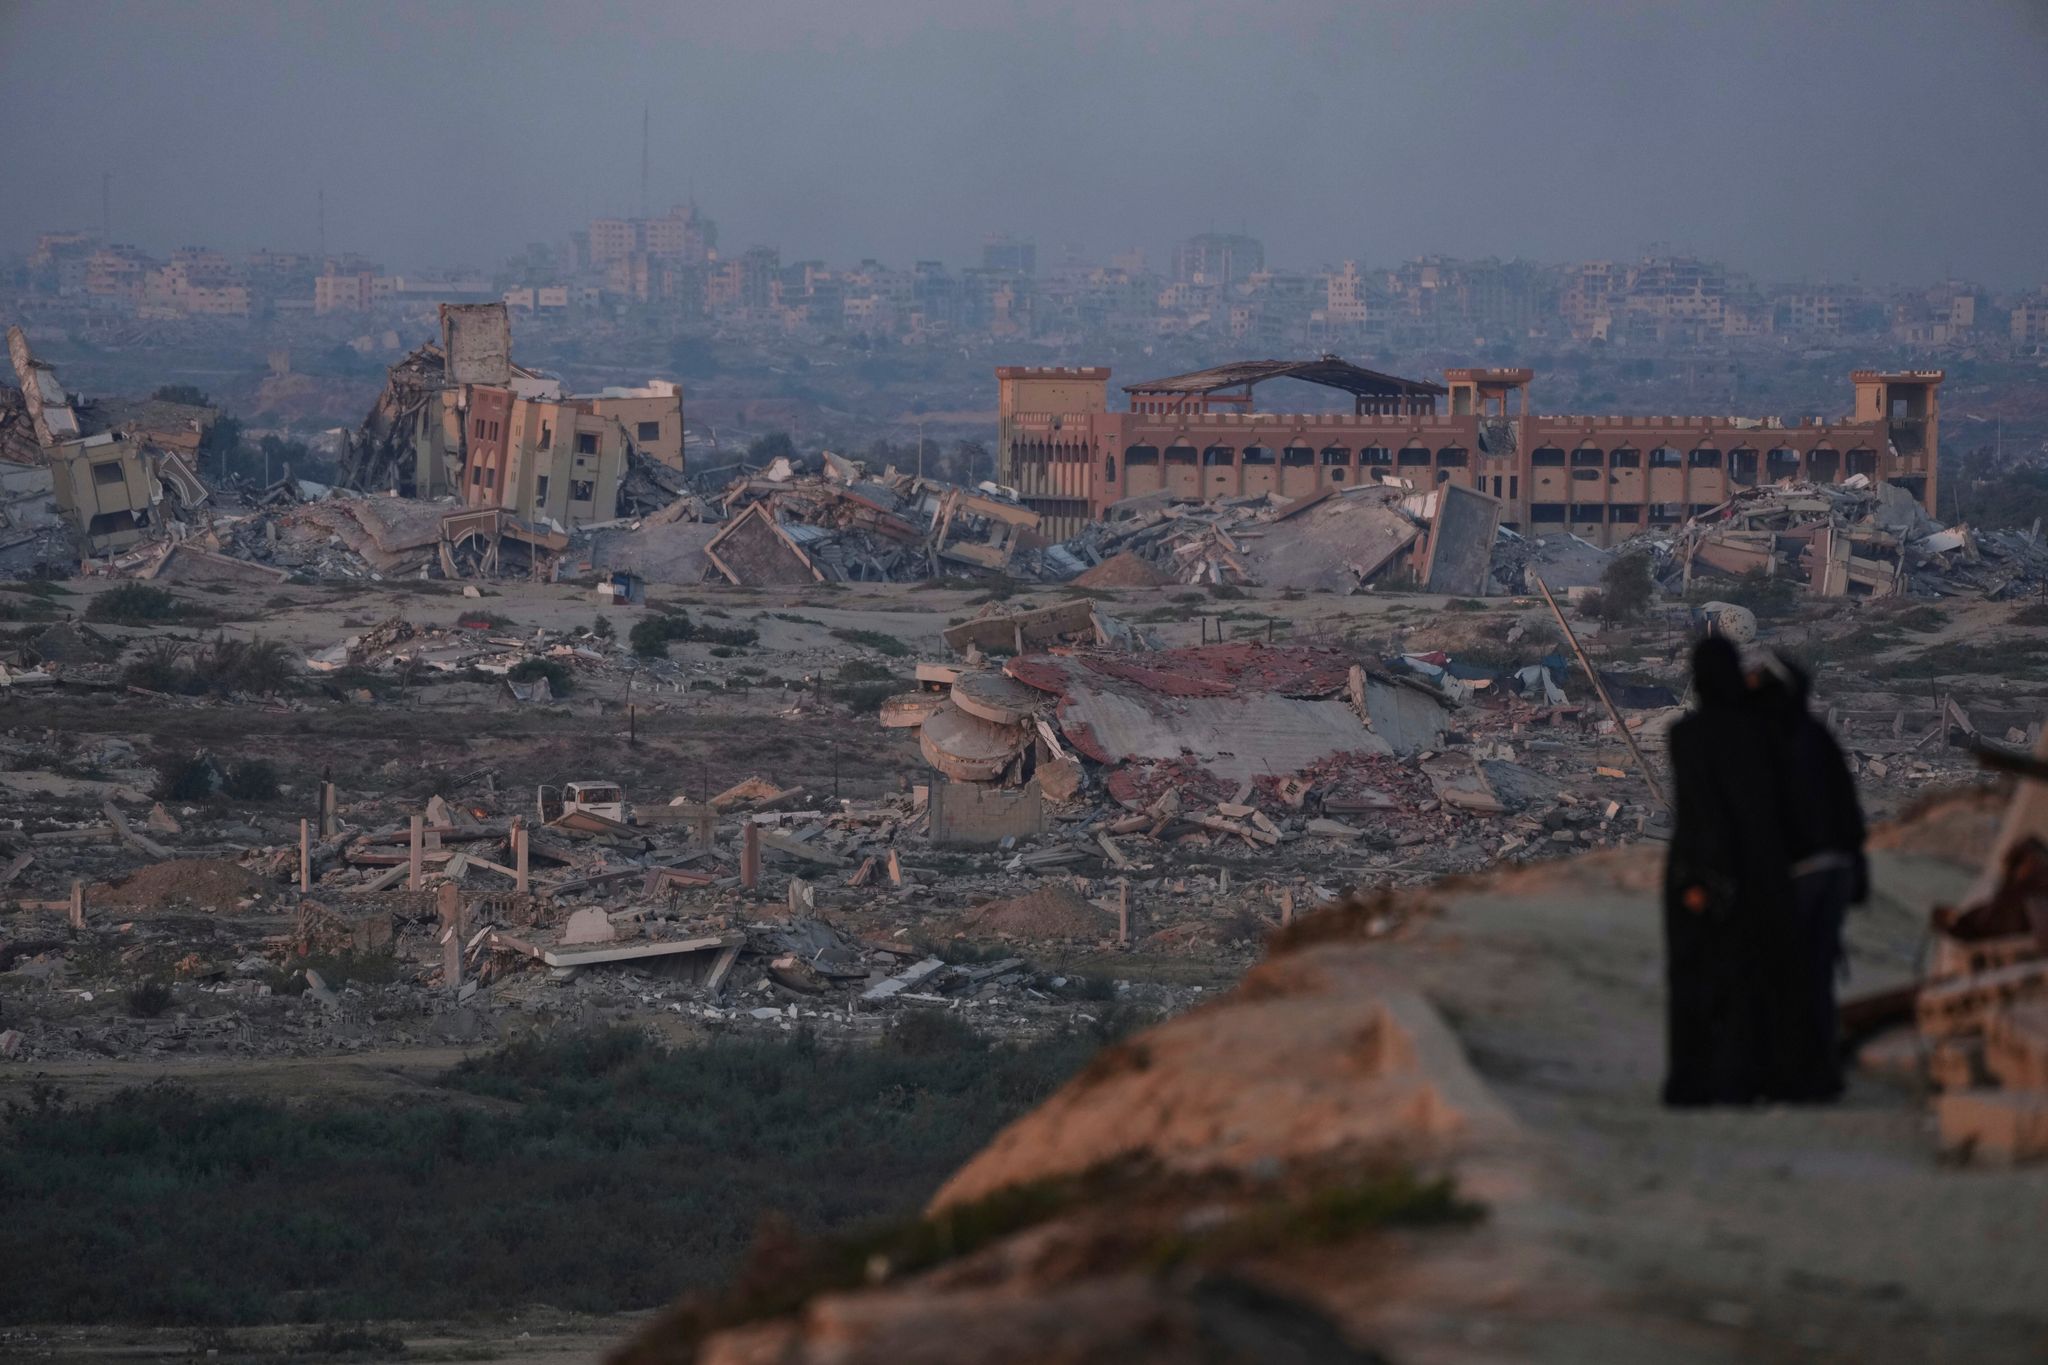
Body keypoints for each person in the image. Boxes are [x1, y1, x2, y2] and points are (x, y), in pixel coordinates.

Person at [1662, 636, 1792, 1106]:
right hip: (1753, 871)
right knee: (1744, 977)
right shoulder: (1758, 734)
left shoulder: (1685, 735)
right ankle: (1742, 1078)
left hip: (1692, 867)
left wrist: (1695, 879)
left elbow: (1699, 812)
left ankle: (1690, 1080)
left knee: (1691, 977)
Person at [1750, 652, 1867, 1102]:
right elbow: (1849, 811)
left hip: (1798, 876)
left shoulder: (1766, 740)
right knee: (1816, 976)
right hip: (1835, 871)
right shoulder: (1816, 735)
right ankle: (1820, 1075)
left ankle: (1787, 1075)